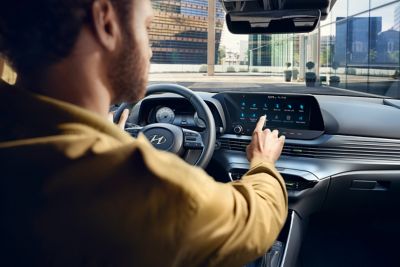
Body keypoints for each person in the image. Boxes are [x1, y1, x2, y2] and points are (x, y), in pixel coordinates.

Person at [0, 0, 288, 266]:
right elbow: (257, 222)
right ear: (106, 21)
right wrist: (263, 162)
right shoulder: (137, 183)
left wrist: (106, 136)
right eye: (147, 28)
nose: (150, 50)